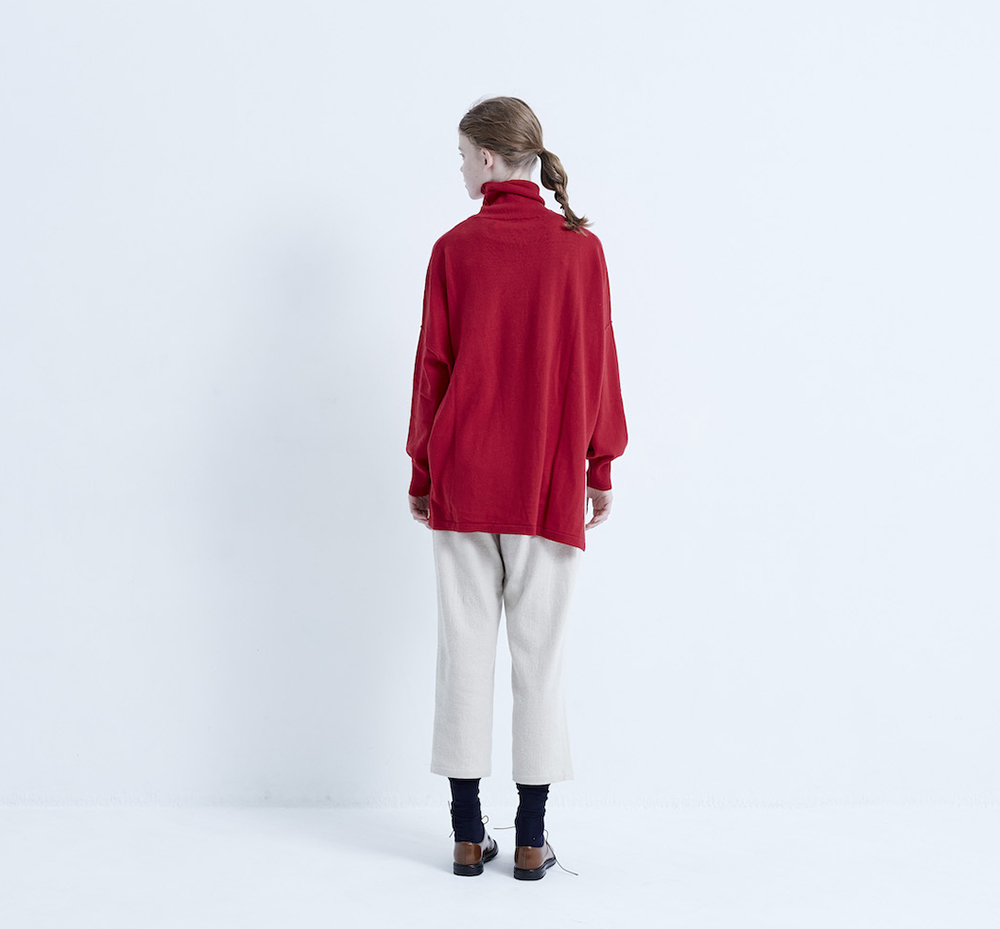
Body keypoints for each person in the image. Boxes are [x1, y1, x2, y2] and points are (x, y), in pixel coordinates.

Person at [405, 96, 628, 879]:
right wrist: (599, 465)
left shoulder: (453, 250)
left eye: (463, 155)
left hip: (465, 480)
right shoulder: (580, 250)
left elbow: (432, 371)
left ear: (490, 158)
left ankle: (468, 835)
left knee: (462, 654)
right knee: (542, 660)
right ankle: (531, 839)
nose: (461, 169)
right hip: (546, 482)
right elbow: (598, 365)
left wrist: (422, 471)